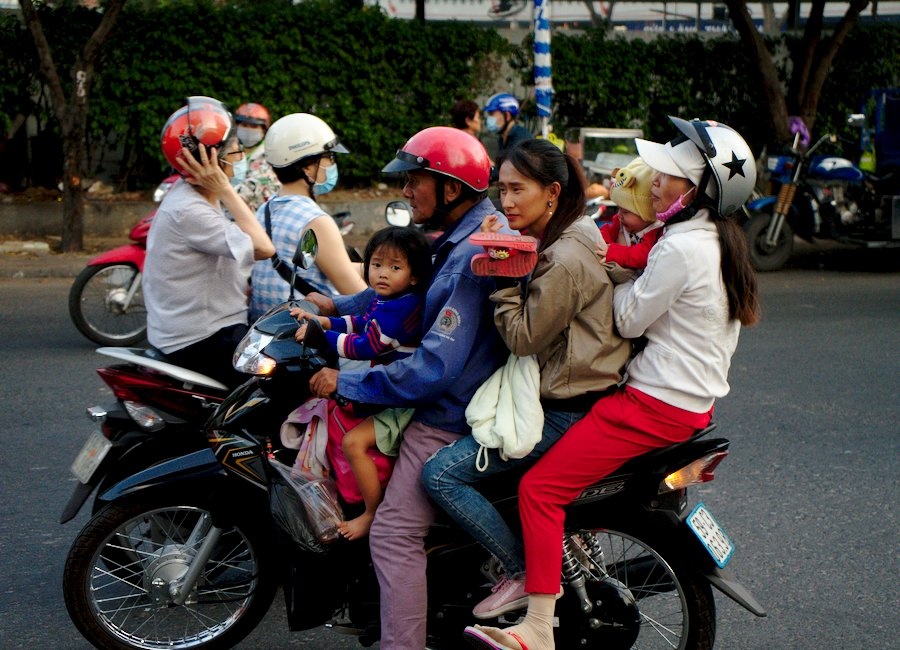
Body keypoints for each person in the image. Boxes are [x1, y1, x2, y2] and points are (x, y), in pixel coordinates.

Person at [464, 116, 761, 650]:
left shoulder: (678, 248)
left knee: (539, 490)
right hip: (685, 404)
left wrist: (608, 282)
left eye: (670, 178)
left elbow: (625, 319)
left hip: (651, 405)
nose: (656, 184)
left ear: (696, 191)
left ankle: (536, 625)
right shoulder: (714, 241)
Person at [304, 126, 511, 649]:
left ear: (451, 188)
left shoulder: (471, 254)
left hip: (446, 414)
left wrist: (351, 380)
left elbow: (433, 368)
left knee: (394, 534)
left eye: (415, 180)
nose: (406, 190)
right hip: (448, 398)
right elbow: (406, 299)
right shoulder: (456, 238)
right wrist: (334, 306)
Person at [422, 138, 632, 620]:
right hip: (582, 389)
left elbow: (522, 338)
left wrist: (503, 274)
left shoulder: (563, 258)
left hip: (563, 407)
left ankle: (520, 572)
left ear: (552, 192)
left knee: (440, 475)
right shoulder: (572, 231)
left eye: (518, 190)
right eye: (502, 189)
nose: (507, 202)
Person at [291, 225, 433, 540]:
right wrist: (324, 320)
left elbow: (369, 344)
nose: (382, 273)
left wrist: (321, 336)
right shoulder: (388, 299)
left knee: (353, 443)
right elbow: (360, 322)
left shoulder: (404, 308)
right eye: (377, 265)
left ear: (413, 276)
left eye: (395, 267)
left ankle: (371, 513)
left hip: (402, 398)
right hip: (385, 389)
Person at [144, 96, 276, 388]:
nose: (240, 156)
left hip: (199, 328)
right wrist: (226, 189)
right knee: (286, 379)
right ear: (210, 161)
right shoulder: (191, 210)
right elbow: (264, 248)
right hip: (201, 338)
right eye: (234, 150)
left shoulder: (193, 195)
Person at [249, 113, 366, 321]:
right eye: (328, 157)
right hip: (307, 338)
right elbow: (358, 296)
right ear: (307, 166)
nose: (332, 164)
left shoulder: (264, 210)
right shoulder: (315, 221)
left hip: (266, 332)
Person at [596, 156, 663, 272]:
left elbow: (643, 256)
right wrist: (604, 244)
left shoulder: (654, 231)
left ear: (646, 214)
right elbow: (608, 230)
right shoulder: (621, 221)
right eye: (619, 208)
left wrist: (614, 251)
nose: (619, 214)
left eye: (626, 211)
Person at [232, 102, 281, 211]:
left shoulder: (270, 155)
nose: (248, 130)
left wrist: (218, 191)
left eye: (254, 126)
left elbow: (249, 190)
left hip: (256, 218)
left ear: (263, 129)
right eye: (244, 125)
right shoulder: (231, 150)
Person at [484, 93, 531, 158]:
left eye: (492, 114)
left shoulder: (521, 137)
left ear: (507, 116)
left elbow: (513, 167)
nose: (489, 118)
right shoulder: (502, 138)